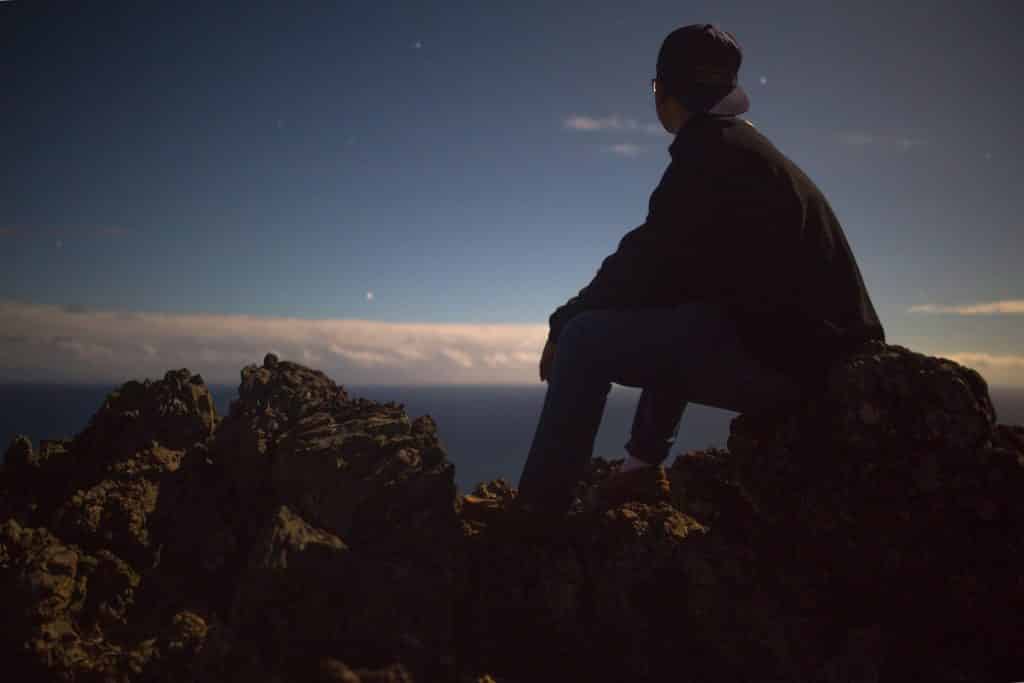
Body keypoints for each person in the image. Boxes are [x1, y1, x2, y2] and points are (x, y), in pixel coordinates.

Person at [467, 24, 885, 518]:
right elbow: (669, 277)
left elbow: (645, 258)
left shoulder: (711, 152)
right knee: (679, 312)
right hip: (826, 364)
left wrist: (564, 320)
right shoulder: (748, 153)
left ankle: (538, 515)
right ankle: (641, 468)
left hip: (800, 374)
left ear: (662, 90)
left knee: (583, 339)